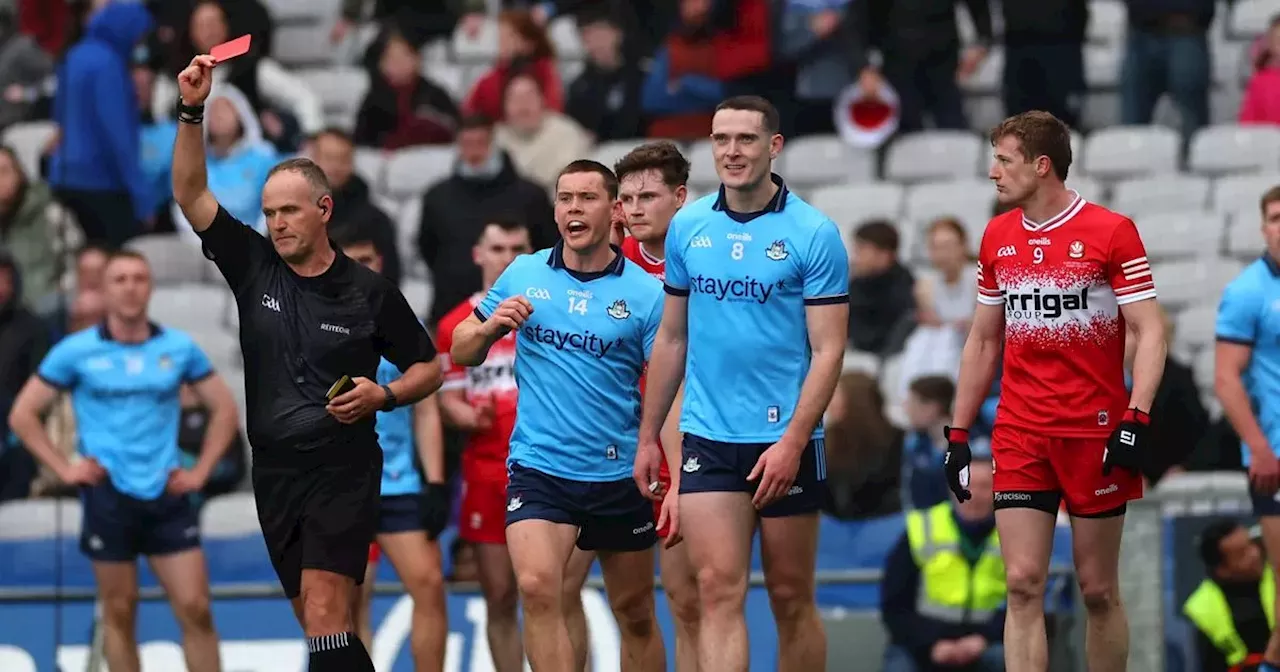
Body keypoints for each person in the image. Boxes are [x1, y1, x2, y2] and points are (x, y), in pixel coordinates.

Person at [169, 53, 442, 671]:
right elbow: (189, 191)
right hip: (274, 471)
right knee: (325, 628)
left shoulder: (369, 292)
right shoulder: (253, 263)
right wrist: (192, 108)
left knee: (324, 615)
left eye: (288, 211)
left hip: (341, 467)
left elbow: (431, 367)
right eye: (268, 212)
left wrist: (386, 395)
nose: (276, 223)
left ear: (323, 210)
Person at [946, 110, 1166, 672]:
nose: (992, 172)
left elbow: (1149, 329)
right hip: (1020, 432)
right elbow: (983, 341)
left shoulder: (1111, 231)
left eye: (1004, 160)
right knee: (1021, 583)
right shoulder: (997, 235)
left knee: (1097, 589)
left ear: (1042, 166)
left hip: (1094, 432)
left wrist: (1136, 416)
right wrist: (957, 431)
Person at [637, 95, 851, 672]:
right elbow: (672, 340)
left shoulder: (814, 233)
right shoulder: (689, 227)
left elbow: (830, 350)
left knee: (789, 597)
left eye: (746, 139)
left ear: (773, 146)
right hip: (708, 437)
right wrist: (649, 436)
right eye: (721, 139)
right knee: (716, 592)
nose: (732, 152)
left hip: (787, 440)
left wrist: (793, 443)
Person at [450, 160, 668, 671]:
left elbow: (669, 383)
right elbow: (461, 350)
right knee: (538, 588)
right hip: (540, 465)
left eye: (587, 198)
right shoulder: (524, 272)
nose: (574, 208)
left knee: (634, 612)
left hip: (617, 471)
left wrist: (655, 449)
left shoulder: (645, 294)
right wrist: (488, 328)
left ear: (614, 211)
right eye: (565, 198)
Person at [7, 249, 239, 672]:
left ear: (150, 287)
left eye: (139, 279)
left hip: (166, 492)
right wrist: (65, 469)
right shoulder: (76, 351)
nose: (131, 287)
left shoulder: (177, 348)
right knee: (120, 612)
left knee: (196, 607)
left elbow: (224, 409)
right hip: (108, 495)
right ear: (105, 290)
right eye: (120, 280)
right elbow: (23, 415)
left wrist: (201, 471)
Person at [436, 218, 592, 671]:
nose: (506, 257)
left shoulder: (554, 308)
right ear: (478, 254)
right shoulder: (455, 325)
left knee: (559, 591)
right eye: (497, 247)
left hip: (553, 467)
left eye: (516, 247)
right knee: (501, 596)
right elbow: (449, 401)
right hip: (487, 471)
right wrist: (468, 415)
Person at [335, 224, 451, 670]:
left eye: (368, 260)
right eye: (352, 260)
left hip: (399, 479)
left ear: (380, 262)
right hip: (342, 483)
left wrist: (436, 482)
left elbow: (426, 409)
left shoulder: (400, 323)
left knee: (430, 585)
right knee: (349, 605)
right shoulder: (315, 323)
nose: (361, 269)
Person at [614, 140, 703, 671]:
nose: (634, 208)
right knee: (624, 605)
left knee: (688, 601)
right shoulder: (602, 264)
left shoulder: (705, 261)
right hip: (609, 451)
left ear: (680, 197)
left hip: (685, 446)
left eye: (648, 195)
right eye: (626, 197)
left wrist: (680, 473)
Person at [1215, 184, 1280, 672]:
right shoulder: (1248, 292)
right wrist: (1259, 449)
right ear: (1263, 228)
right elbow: (1225, 378)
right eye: (1276, 217)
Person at [881, 452, 1006, 672]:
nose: (972, 495)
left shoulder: (1012, 537)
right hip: (926, 643)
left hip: (986, 642)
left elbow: (1028, 603)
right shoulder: (922, 530)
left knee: (1007, 657)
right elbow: (894, 606)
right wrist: (931, 644)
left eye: (985, 486)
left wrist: (984, 638)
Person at [1184, 519, 1273, 672]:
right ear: (1221, 570)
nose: (1255, 554)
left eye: (1252, 544)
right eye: (1242, 554)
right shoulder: (1205, 608)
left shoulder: (1275, 576)